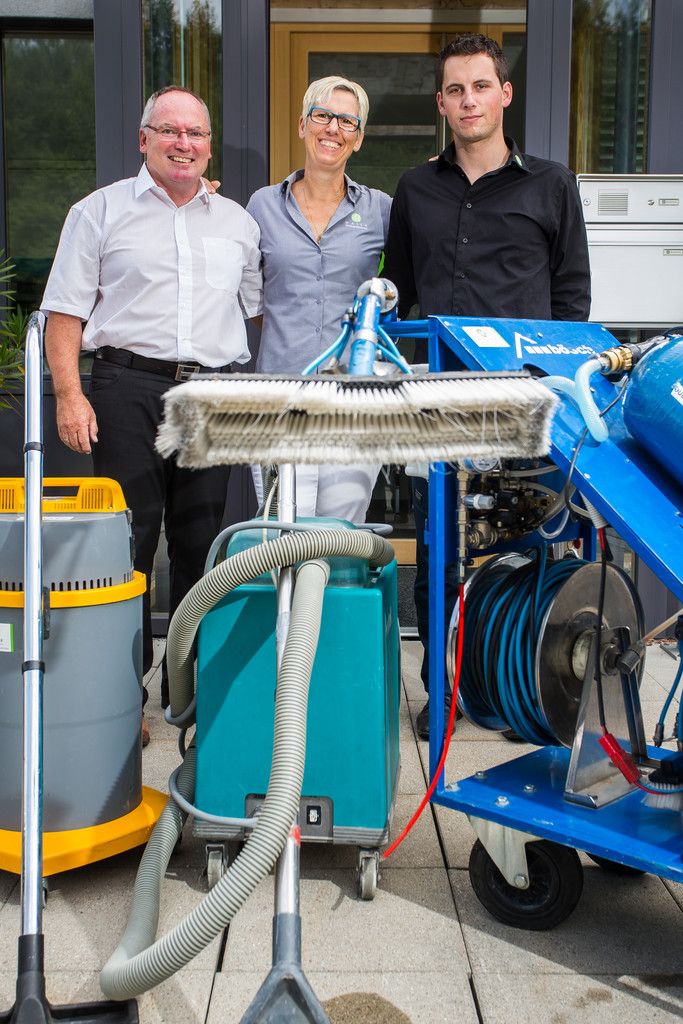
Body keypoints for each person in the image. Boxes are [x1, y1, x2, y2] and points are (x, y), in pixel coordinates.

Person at [383, 33, 591, 739]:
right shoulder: (415, 187)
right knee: (437, 554)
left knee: (528, 548)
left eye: (480, 86)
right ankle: (441, 696)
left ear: (503, 94)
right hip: (436, 403)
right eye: (453, 89)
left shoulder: (551, 184)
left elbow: (571, 300)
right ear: (441, 103)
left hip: (522, 404)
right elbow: (403, 294)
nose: (467, 100)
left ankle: (514, 691)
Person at [42, 85, 263, 742]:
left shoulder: (237, 223)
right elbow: (65, 314)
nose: (183, 143)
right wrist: (67, 393)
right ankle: (121, 699)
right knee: (129, 550)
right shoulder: (98, 212)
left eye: (195, 133)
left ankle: (188, 696)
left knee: (202, 549)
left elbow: (250, 311)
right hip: (126, 389)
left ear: (208, 144)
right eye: (169, 131)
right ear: (144, 139)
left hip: (210, 396)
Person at [245, 75, 391, 522]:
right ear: (303, 125)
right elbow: (250, 297)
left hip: (356, 402)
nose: (334, 128)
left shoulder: (382, 210)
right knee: (282, 539)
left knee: (342, 537)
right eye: (323, 115)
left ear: (359, 138)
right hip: (279, 401)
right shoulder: (261, 206)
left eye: (347, 121)